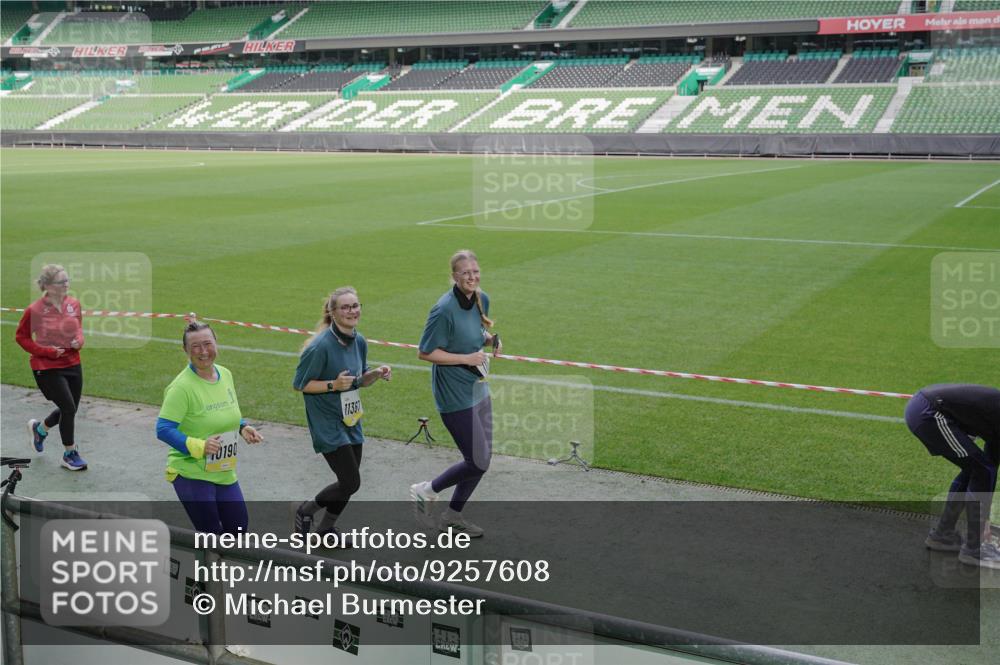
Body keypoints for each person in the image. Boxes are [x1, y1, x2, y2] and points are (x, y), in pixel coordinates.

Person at [410, 250, 501, 538]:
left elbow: (474, 333)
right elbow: (425, 352)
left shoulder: (480, 298)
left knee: (482, 458)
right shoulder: (443, 309)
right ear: (454, 276)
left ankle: (452, 516)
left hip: (478, 387)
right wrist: (466, 359)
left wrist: (491, 339)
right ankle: (426, 490)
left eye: (475, 271)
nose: (472, 277)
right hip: (453, 393)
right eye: (465, 273)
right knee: (477, 460)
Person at [292, 287, 391, 543]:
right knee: (350, 482)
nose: (352, 311)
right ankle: (306, 510)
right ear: (332, 312)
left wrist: (376, 374)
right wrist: (332, 386)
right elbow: (301, 384)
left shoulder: (359, 341)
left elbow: (359, 380)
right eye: (345, 307)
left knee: (348, 482)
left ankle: (325, 530)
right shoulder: (320, 346)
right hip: (327, 422)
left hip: (350, 419)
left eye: (355, 306)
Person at [156, 320, 263, 534]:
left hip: (223, 470)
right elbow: (163, 428)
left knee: (238, 529)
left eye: (207, 343)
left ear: (216, 343)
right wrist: (199, 446)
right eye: (195, 346)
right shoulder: (181, 387)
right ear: (185, 350)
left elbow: (224, 413)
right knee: (212, 536)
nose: (203, 351)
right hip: (191, 473)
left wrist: (242, 427)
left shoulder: (225, 374)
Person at [905, 383, 1000, 569]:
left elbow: (992, 461)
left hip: (927, 408)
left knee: (978, 469)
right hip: (930, 412)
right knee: (982, 470)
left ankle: (943, 534)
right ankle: (975, 549)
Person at [16, 264, 88, 471]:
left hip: (73, 363)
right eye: (61, 282)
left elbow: (79, 330)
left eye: (67, 280)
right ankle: (69, 454)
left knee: (70, 409)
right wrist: (46, 352)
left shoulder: (74, 304)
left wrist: (79, 341)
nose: (67, 284)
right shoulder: (35, 310)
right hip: (46, 366)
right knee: (68, 407)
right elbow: (21, 337)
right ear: (48, 285)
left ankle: (40, 430)